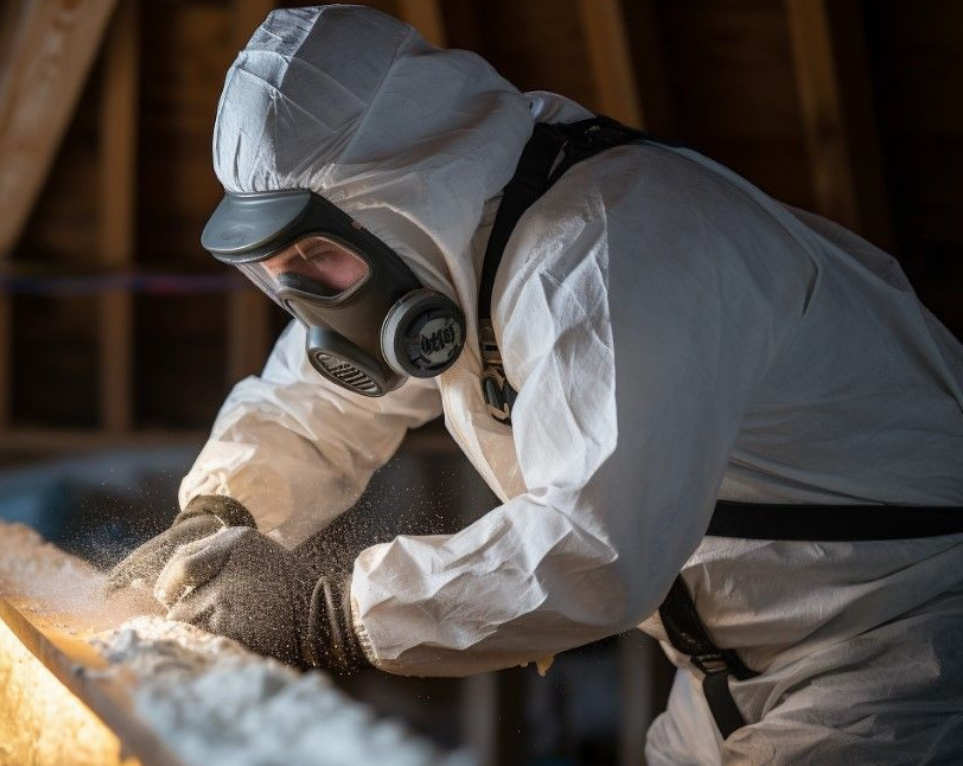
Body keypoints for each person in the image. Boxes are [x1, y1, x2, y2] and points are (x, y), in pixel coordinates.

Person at [106, 6, 963, 764]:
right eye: (282, 272)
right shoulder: (455, 237)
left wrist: (329, 613)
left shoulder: (604, 253)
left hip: (895, 647)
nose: (309, 296)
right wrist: (220, 514)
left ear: (401, 197)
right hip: (729, 670)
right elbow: (316, 397)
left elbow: (594, 549)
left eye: (317, 257)